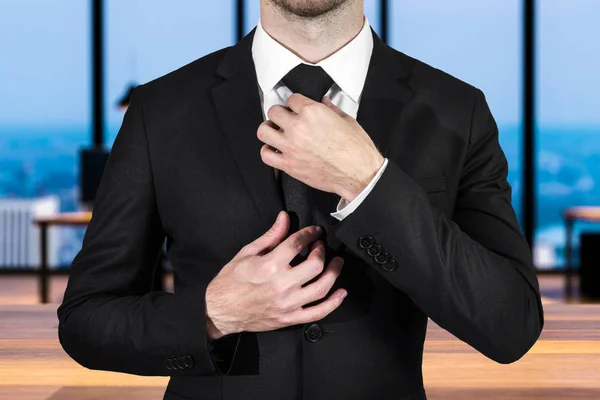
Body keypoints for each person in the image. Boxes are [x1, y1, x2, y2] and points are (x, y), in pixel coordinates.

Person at [56, 1, 544, 399]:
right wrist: (212, 314)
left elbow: (511, 325)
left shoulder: (458, 110)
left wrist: (369, 183)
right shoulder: (159, 110)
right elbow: (86, 320)